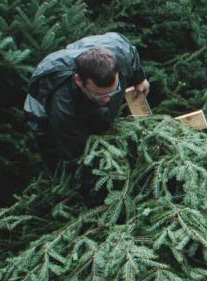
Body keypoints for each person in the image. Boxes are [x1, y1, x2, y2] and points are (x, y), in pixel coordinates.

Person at [24, 32, 150, 193]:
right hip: (43, 113)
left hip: (83, 95)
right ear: (79, 81)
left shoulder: (120, 53)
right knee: (59, 162)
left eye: (113, 91)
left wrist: (139, 78)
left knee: (101, 122)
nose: (107, 100)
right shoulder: (62, 105)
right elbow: (77, 155)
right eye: (100, 95)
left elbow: (131, 55)